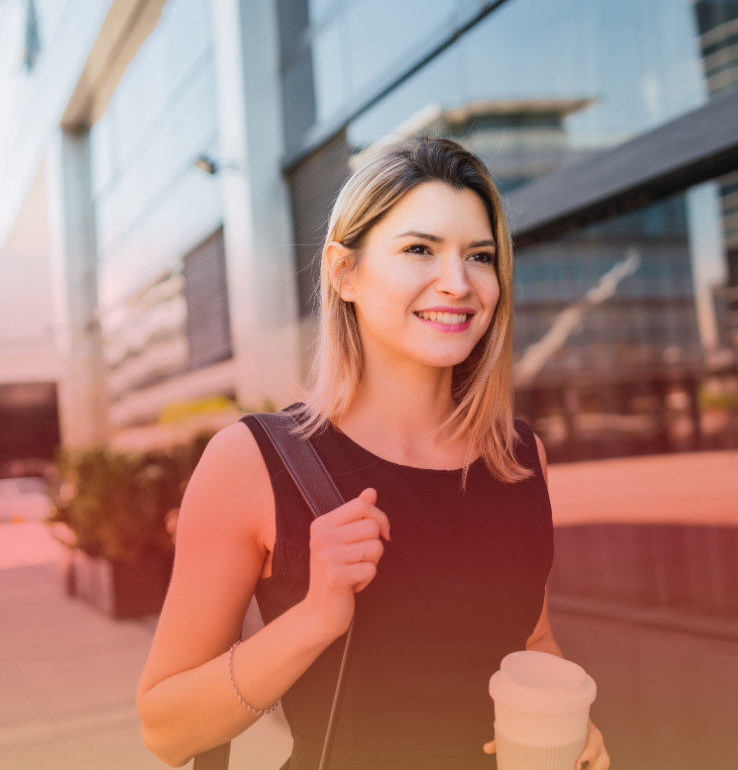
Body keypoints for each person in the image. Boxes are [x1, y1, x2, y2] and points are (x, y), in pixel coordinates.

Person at [137, 137, 610, 770]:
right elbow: (166, 730)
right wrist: (314, 618)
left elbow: (533, 639)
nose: (458, 283)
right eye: (420, 249)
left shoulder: (518, 456)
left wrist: (570, 727)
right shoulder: (252, 463)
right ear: (344, 272)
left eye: (479, 256)